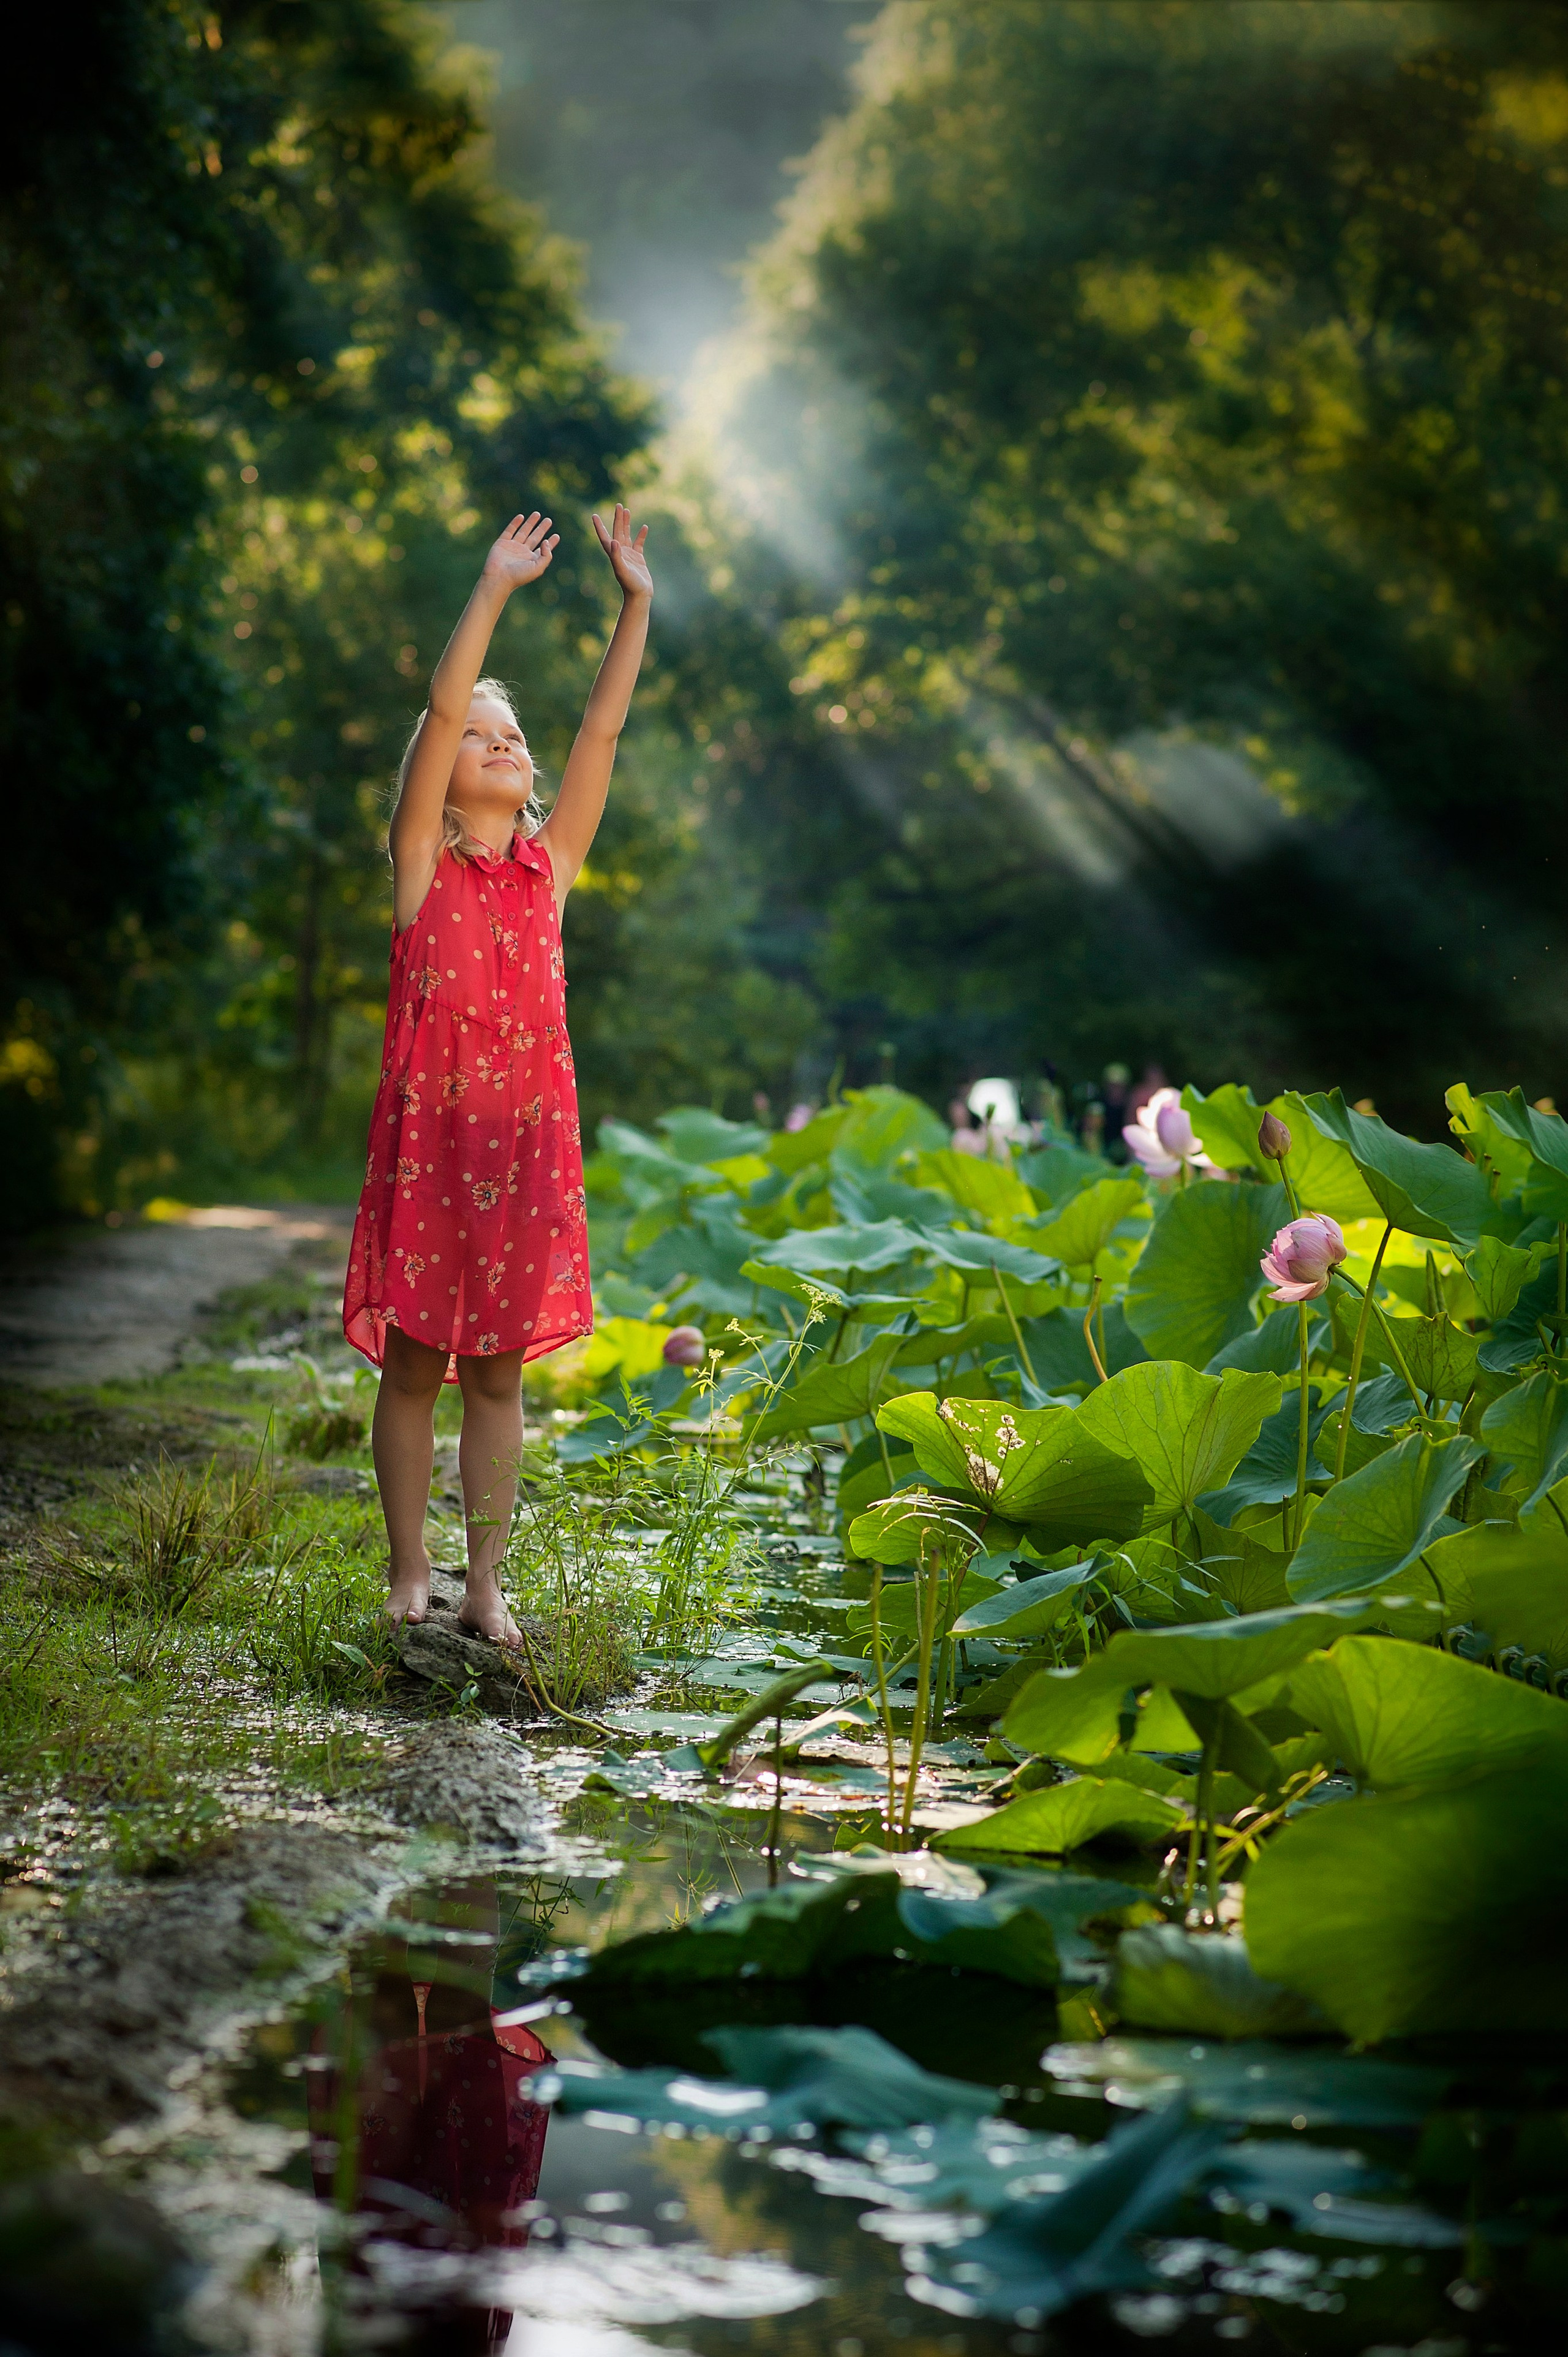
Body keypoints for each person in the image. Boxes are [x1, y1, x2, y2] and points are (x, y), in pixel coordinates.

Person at [344, 502, 653, 1641]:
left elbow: (601, 739)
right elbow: (440, 704)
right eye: (483, 738)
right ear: (440, 770)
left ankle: (484, 1584)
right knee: (417, 1370)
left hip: (522, 1153)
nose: (503, 745)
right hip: (432, 1147)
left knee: (498, 1381)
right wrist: (491, 591)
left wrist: (637, 604)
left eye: (509, 738)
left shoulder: (550, 869)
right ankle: (409, 1571)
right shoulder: (422, 863)